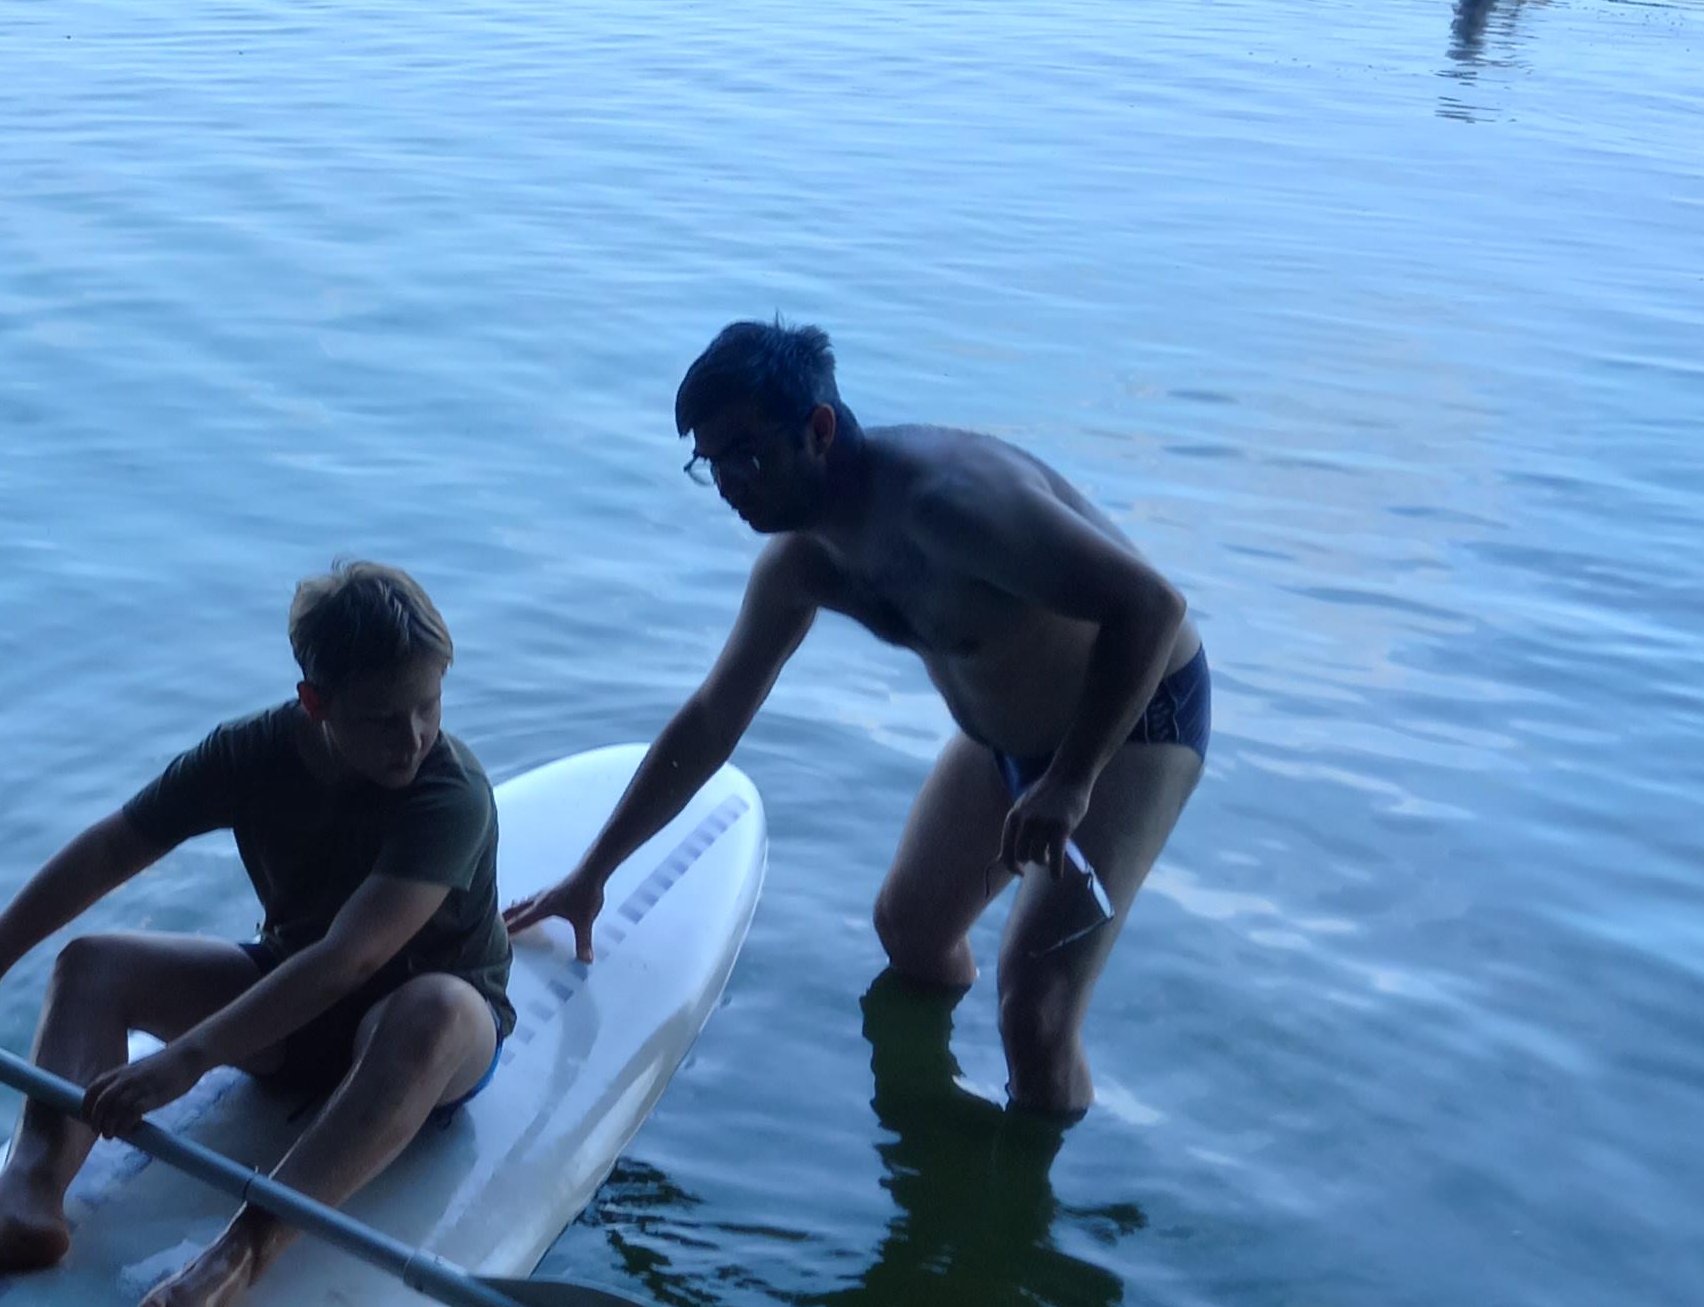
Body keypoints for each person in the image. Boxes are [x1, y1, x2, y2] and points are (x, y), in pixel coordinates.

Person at [506, 320, 1206, 1120]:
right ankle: (937, 1132)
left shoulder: (955, 505)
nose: (731, 482)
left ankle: (1027, 1203)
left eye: (748, 455)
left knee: (1035, 1010)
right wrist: (594, 873)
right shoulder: (803, 564)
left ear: (820, 429)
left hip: (1132, 722)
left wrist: (1073, 781)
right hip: (1004, 738)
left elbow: (1152, 606)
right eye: (712, 463)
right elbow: (711, 718)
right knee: (910, 930)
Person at [0, 560, 513, 1307]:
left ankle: (239, 1256)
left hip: (428, 1044)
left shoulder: (449, 791)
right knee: (91, 966)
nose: (414, 738)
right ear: (314, 703)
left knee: (432, 1007)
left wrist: (188, 1059)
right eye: (383, 717)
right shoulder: (250, 753)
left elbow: (350, 959)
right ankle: (27, 1198)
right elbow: (117, 843)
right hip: (299, 1009)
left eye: (429, 705)